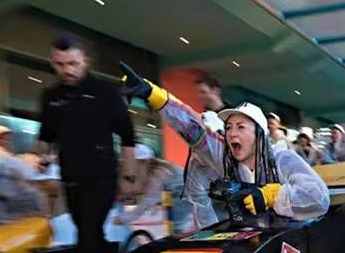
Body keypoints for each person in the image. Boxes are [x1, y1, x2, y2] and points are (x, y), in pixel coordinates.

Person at [121, 62, 329, 221]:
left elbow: (318, 197)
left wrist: (271, 195)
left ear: (259, 134)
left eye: (241, 127)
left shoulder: (283, 159)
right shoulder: (225, 157)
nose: (232, 134)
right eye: (229, 127)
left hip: (286, 242)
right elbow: (191, 128)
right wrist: (151, 93)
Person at [36, 33, 136, 253]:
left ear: (85, 61)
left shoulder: (105, 91)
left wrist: (128, 178)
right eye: (60, 64)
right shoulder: (51, 97)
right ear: (52, 63)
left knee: (87, 231)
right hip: (70, 174)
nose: (66, 70)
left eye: (73, 63)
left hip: (102, 175)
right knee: (86, 228)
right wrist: (43, 158)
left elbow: (128, 137)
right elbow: (46, 135)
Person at [183, 74, 230, 230]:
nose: (200, 96)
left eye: (203, 91)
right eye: (199, 92)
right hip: (206, 182)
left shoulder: (232, 115)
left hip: (227, 180)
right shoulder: (203, 117)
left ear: (215, 91)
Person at [113, 143, 192, 233]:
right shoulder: (149, 171)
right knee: (171, 225)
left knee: (176, 228)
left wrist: (124, 219)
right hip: (174, 193)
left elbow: (148, 201)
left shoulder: (159, 173)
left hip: (183, 194)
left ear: (144, 162)